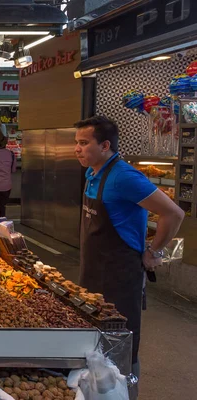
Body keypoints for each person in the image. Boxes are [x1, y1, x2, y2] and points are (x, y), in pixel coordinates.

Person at [74, 116, 184, 375]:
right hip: (92, 270)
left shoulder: (124, 177)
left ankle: (125, 389)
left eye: (83, 142)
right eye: (76, 142)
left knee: (120, 345)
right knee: (94, 341)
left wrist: (153, 252)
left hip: (120, 275)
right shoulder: (92, 172)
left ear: (105, 146)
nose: (77, 148)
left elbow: (174, 214)